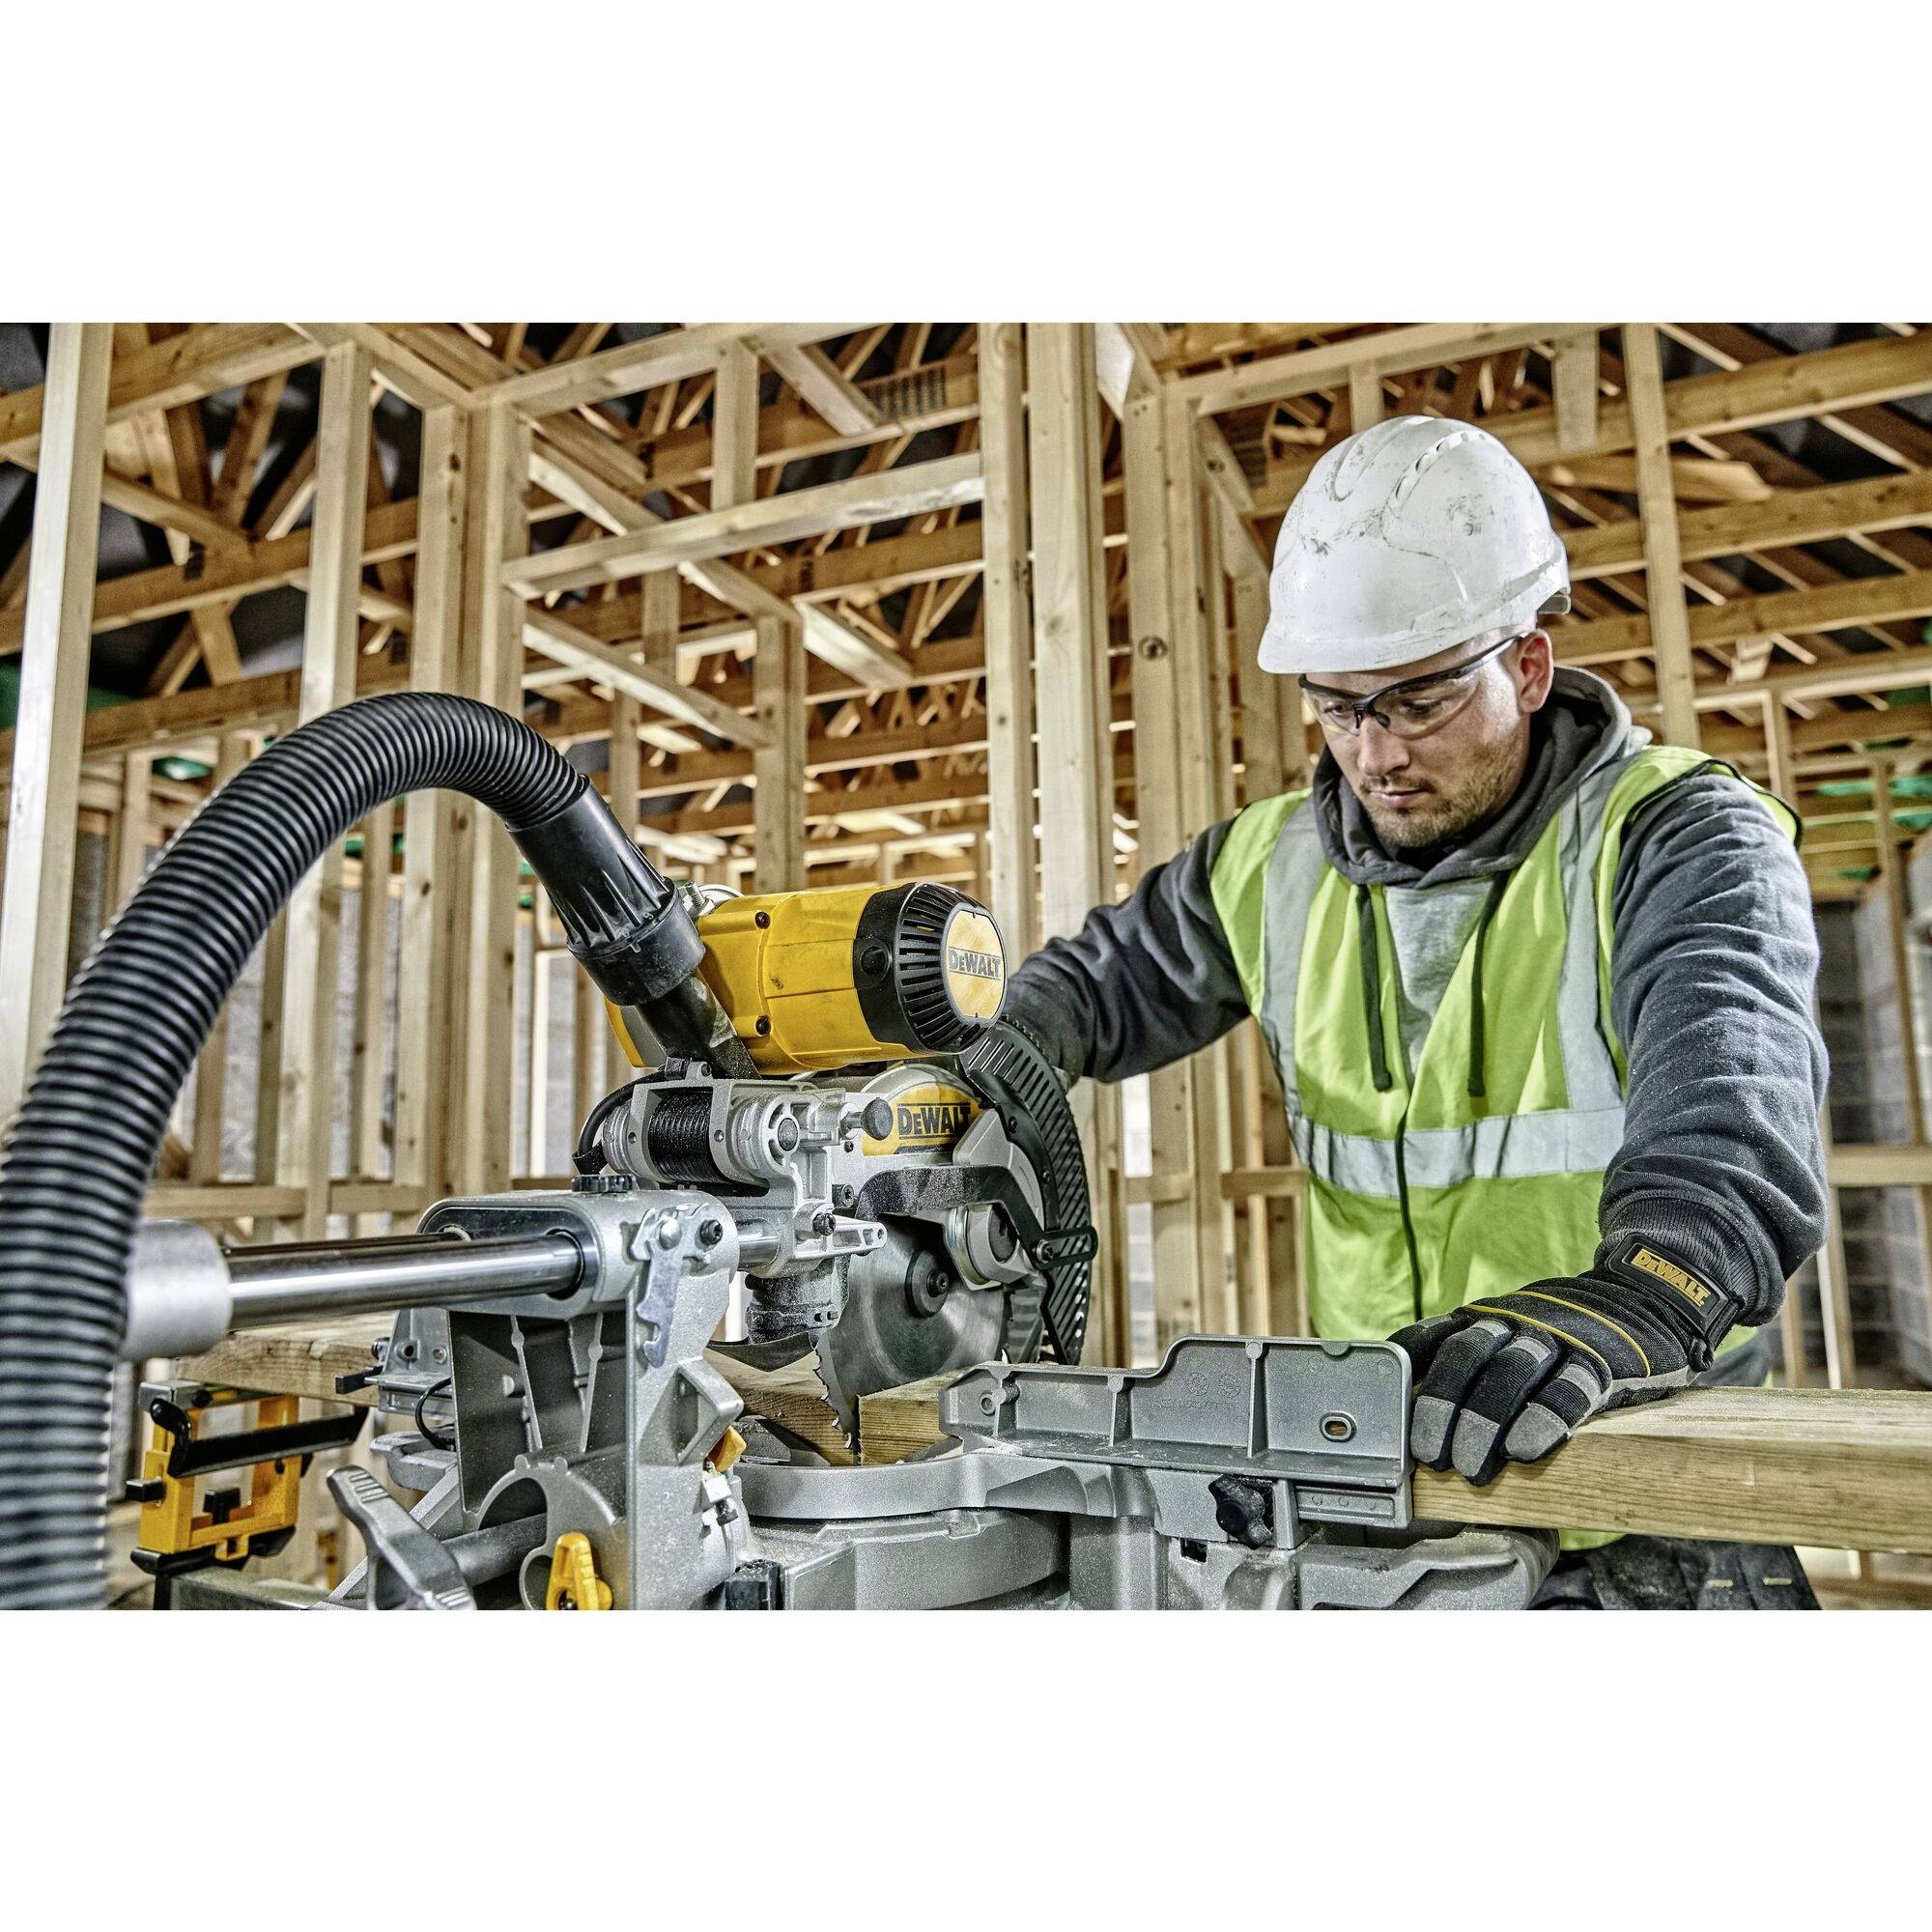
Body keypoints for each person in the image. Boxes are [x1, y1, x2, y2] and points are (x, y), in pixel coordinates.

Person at [1003, 414, 1830, 1608]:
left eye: (1417, 703)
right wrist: (973, 1064)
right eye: (1338, 708)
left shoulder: (1676, 836)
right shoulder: (1263, 867)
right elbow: (1080, 994)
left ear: (1527, 667)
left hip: (1641, 1510)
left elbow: (1731, 1108)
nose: (1373, 752)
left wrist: (1641, 1294)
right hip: (1386, 1507)